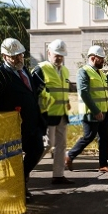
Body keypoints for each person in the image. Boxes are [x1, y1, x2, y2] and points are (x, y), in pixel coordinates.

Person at [0, 38, 47, 200]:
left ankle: (22, 178)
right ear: (4, 57)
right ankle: (17, 189)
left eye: (20, 55)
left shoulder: (25, 70)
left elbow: (32, 96)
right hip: (11, 127)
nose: (18, 59)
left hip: (32, 123)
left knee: (37, 150)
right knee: (13, 159)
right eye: (14, 56)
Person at [65, 45, 108, 174]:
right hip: (91, 113)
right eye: (101, 59)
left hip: (104, 111)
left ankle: (103, 164)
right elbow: (84, 93)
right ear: (93, 58)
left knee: (104, 138)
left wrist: (104, 111)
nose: (103, 61)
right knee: (89, 136)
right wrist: (95, 111)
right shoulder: (83, 71)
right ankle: (69, 155)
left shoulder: (100, 73)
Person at [32, 39, 73, 184]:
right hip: (47, 114)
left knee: (61, 145)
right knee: (47, 144)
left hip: (61, 113)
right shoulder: (40, 69)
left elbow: (62, 90)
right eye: (57, 55)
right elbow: (35, 93)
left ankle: (58, 175)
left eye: (62, 55)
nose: (59, 58)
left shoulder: (65, 70)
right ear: (49, 53)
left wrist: (66, 102)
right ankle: (25, 167)